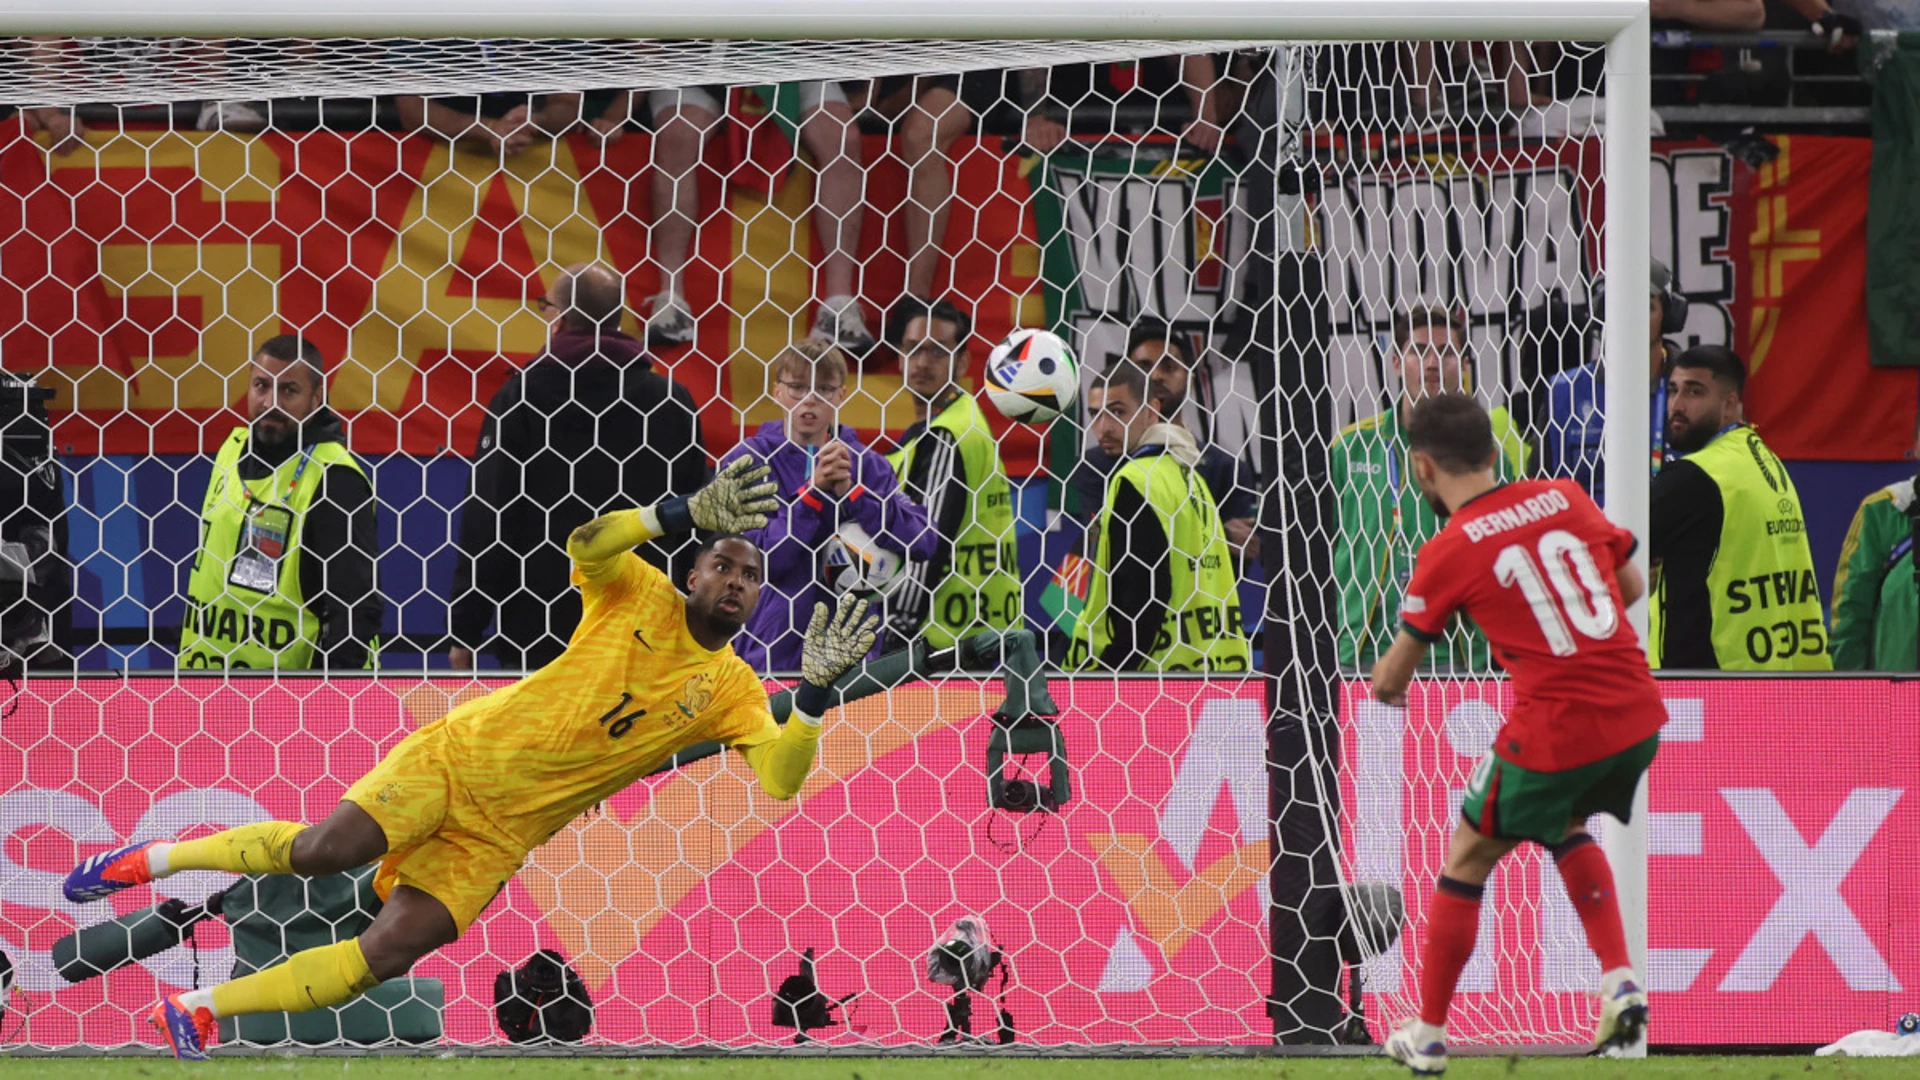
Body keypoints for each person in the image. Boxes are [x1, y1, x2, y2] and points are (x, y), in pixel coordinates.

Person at [64, 460, 880, 1060]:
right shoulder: (636, 593)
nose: (735, 583)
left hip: (501, 836)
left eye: (750, 577)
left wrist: (809, 697)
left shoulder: (736, 688)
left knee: (386, 953)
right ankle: (149, 858)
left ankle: (203, 1008)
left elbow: (778, 778)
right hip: (457, 759)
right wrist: (678, 510)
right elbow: (586, 543)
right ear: (692, 573)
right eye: (722, 566)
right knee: (321, 853)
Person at [1370, 392, 1660, 1074]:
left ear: (1422, 468)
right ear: (1493, 451)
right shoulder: (1564, 495)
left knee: (1468, 855)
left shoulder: (1449, 549)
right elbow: (1633, 584)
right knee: (1563, 823)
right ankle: (1619, 977)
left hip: (1559, 721)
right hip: (1638, 709)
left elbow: (1388, 682)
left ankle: (1430, 1034)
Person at [449, 262, 705, 671]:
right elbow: (696, 521)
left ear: (560, 318)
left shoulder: (521, 397)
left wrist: (465, 629)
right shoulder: (672, 401)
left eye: (545, 307)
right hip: (643, 628)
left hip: (540, 628)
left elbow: (489, 521)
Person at [1330, 306, 1529, 674]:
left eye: (1447, 353)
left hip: (1463, 661)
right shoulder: (1351, 447)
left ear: (1465, 365)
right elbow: (1319, 550)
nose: (1433, 363)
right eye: (1419, 351)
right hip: (1361, 656)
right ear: (1394, 362)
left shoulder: (1490, 459)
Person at [719, 339, 934, 670]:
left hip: (853, 656)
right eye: (797, 388)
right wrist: (813, 493)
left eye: (823, 390)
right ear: (776, 391)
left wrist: (855, 494)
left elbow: (923, 542)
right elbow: (762, 564)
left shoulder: (868, 465)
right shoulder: (747, 461)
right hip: (770, 653)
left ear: (841, 395)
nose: (809, 400)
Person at [177, 335, 382, 670]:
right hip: (204, 687)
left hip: (287, 703)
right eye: (261, 385)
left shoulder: (335, 478)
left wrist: (328, 705)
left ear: (316, 397)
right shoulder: (231, 451)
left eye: (289, 390)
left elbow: (355, 610)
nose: (271, 401)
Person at [643, 82, 872, 354]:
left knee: (842, 137)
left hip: (787, 67)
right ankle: (671, 300)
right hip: (700, 65)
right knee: (678, 134)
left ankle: (838, 306)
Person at [1649, 345, 1830, 670]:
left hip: (1708, 686)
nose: (1677, 406)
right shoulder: (1764, 460)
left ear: (1730, 404)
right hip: (1781, 676)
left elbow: (1613, 548)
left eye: (1694, 392)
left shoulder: (1696, 477)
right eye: (1673, 390)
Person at [1065, 361, 1250, 672]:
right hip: (1213, 666)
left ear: (1152, 410)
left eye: (1118, 412)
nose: (1103, 428)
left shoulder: (1136, 479)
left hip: (1149, 678)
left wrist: (1109, 673)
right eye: (1095, 414)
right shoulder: (1187, 473)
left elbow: (1147, 596)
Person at [883, 299, 1022, 651]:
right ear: (899, 357)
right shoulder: (963, 422)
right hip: (984, 638)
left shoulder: (948, 434)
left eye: (938, 351)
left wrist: (896, 634)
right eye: (913, 349)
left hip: (941, 646)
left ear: (962, 361)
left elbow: (926, 543)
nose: (923, 363)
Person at [879, 70, 1067, 313]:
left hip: (975, 61)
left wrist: (1034, 114)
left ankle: (916, 299)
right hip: (898, 61)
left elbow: (1023, 37)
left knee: (923, 133)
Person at [1070, 323, 1258, 559]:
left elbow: (1240, 559)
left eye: (1169, 367)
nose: (1156, 376)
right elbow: (1111, 546)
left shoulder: (1226, 469)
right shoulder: (1095, 464)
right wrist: (1219, 535)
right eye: (1143, 367)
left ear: (1189, 379)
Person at [1539, 260, 1685, 504]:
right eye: (1621, 305)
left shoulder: (1695, 390)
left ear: (1668, 317)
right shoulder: (1565, 393)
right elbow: (1541, 489)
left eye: (1645, 307)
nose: (1631, 318)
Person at [1829, 423, 1920, 671]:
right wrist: (1851, 692)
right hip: (1900, 698)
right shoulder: (1880, 511)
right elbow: (1851, 613)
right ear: (1916, 446)